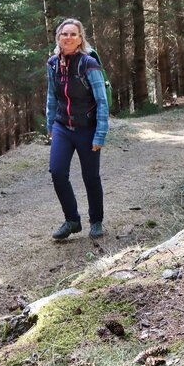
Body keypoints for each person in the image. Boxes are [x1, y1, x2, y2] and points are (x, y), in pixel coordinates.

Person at [45, 18, 109, 240]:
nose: (68, 38)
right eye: (64, 34)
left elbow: (102, 100)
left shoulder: (88, 63)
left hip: (87, 128)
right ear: (58, 38)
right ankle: (72, 220)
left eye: (73, 34)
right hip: (63, 126)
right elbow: (51, 96)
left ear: (80, 39)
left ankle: (96, 221)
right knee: (57, 172)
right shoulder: (53, 63)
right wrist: (50, 124)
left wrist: (100, 133)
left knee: (90, 176)